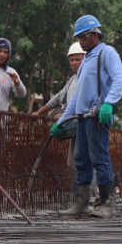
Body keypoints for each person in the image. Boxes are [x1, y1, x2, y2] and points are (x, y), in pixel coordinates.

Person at [52, 14, 122, 218]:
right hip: (82, 118)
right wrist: (61, 121)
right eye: (78, 38)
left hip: (97, 117)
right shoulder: (86, 62)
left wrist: (109, 104)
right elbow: (76, 97)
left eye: (83, 38)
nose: (80, 42)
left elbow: (120, 79)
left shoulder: (107, 53)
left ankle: (106, 204)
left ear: (94, 34)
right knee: (81, 160)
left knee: (100, 158)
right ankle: (81, 203)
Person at [33, 42, 93, 196]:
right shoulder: (73, 80)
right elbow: (58, 98)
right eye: (72, 60)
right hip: (76, 125)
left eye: (78, 59)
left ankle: (96, 195)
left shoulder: (90, 78)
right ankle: (84, 194)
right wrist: (39, 112)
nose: (74, 63)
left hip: (89, 125)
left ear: (85, 59)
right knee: (72, 163)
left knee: (89, 161)